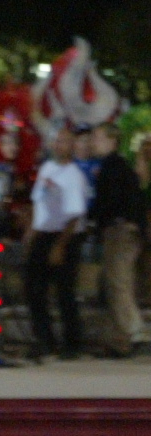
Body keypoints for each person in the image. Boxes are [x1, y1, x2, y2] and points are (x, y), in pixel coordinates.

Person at [28, 127, 92, 359]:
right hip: (44, 233)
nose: (59, 145)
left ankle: (72, 343)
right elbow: (39, 204)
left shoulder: (73, 175)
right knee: (35, 289)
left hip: (65, 235)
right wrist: (31, 234)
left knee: (65, 291)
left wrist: (60, 246)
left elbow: (75, 214)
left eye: (64, 141)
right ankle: (45, 339)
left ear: (72, 146)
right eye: (56, 141)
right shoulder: (47, 169)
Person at [86, 123, 144, 354]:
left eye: (98, 138)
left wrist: (92, 219)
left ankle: (134, 330)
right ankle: (119, 339)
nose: (93, 143)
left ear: (112, 141)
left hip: (120, 231)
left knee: (118, 281)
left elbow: (108, 203)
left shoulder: (112, 167)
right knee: (113, 282)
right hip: (125, 230)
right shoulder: (118, 167)